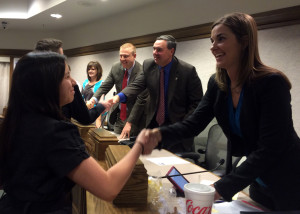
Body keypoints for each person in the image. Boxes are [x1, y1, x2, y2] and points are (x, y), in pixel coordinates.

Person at [139, 13, 300, 211]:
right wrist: (158, 135)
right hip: (258, 181)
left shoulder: (271, 83)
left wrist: (221, 188)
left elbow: (271, 148)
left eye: (221, 39)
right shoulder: (218, 84)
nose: (213, 46)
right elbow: (194, 123)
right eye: (212, 40)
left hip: (290, 181)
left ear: (244, 42)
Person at [0, 51, 149, 213]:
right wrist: (139, 145)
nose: (73, 83)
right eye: (66, 76)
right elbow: (108, 187)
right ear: (47, 85)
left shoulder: (14, 123)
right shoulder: (57, 132)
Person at [109, 35, 203, 153]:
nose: (154, 53)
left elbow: (197, 103)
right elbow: (137, 85)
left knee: (173, 167)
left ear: (171, 51)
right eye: (153, 49)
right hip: (154, 127)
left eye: (159, 50)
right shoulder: (149, 65)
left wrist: (184, 126)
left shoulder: (187, 71)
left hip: (177, 130)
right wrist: (118, 97)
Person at [35, 38, 102, 125]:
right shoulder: (68, 87)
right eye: (67, 76)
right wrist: (101, 106)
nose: (73, 82)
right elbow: (85, 117)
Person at [87, 43, 148, 138]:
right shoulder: (116, 67)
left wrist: (129, 123)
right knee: (115, 146)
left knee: (130, 147)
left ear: (134, 56)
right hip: (119, 115)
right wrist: (93, 100)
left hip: (135, 118)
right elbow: (105, 86)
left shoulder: (142, 71)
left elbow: (140, 100)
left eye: (126, 56)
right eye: (121, 56)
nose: (122, 59)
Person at [81, 61, 105, 128]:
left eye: (93, 69)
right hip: (86, 112)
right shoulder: (85, 82)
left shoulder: (102, 83)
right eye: (89, 69)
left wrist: (98, 119)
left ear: (98, 71)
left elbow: (101, 102)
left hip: (96, 113)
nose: (90, 71)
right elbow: (81, 98)